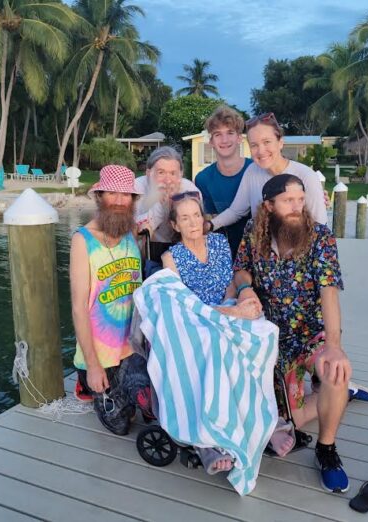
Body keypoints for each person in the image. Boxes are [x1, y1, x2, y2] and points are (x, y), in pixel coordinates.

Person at [233, 174, 351, 493]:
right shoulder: (253, 233)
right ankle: (337, 399)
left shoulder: (321, 237)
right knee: (293, 420)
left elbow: (329, 291)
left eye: (301, 199)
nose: (297, 206)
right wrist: (245, 289)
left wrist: (334, 346)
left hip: (312, 333)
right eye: (288, 200)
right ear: (269, 206)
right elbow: (241, 267)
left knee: (334, 372)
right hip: (271, 338)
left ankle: (326, 450)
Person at [160, 193, 263, 474]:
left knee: (264, 333)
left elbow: (230, 284)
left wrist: (236, 305)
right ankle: (206, 438)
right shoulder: (171, 257)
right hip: (195, 322)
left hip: (226, 308)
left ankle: (258, 416)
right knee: (216, 345)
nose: (193, 222)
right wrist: (228, 314)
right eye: (184, 218)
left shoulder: (219, 243)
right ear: (175, 225)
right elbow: (185, 305)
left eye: (196, 215)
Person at [70, 164, 151, 436]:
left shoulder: (129, 233)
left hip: (131, 347)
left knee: (150, 407)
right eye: (112, 194)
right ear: (99, 196)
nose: (118, 201)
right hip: (100, 354)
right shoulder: (83, 242)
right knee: (121, 423)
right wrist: (93, 366)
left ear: (133, 200)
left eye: (125, 195)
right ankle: (87, 381)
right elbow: (79, 309)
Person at [208, 112, 329, 233]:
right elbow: (236, 211)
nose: (261, 151)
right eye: (254, 145)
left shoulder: (306, 176)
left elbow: (320, 228)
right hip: (261, 248)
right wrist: (209, 225)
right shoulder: (252, 171)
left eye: (267, 142)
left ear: (280, 142)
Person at [194, 106, 253, 257]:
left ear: (240, 138)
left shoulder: (257, 170)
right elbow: (209, 224)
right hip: (224, 254)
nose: (224, 140)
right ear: (211, 141)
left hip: (260, 251)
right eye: (218, 134)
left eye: (230, 133)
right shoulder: (203, 179)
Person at [134, 146, 200, 246]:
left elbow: (196, 228)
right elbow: (132, 230)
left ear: (180, 174)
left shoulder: (190, 190)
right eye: (161, 172)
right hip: (145, 248)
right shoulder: (135, 189)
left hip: (182, 247)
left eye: (173, 173)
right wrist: (159, 205)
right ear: (148, 173)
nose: (168, 181)